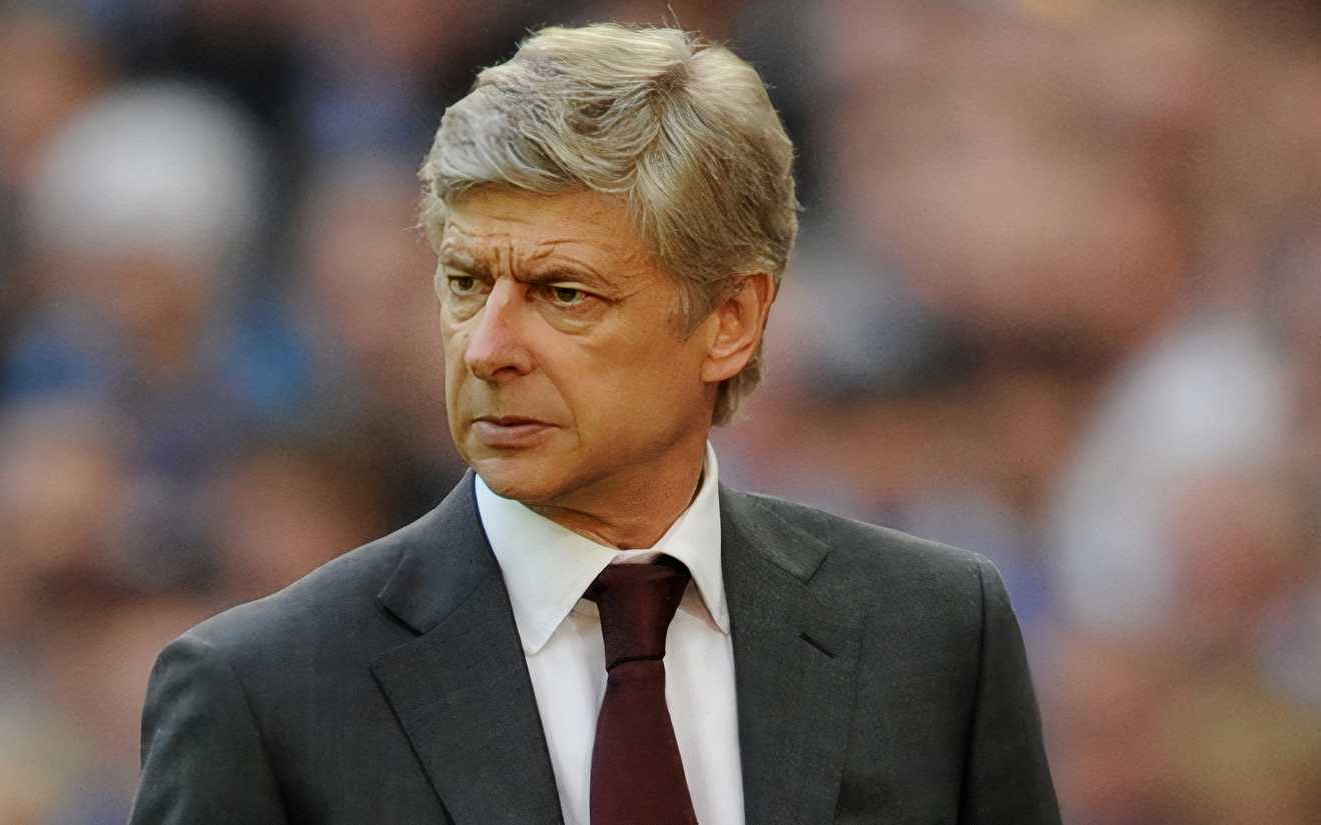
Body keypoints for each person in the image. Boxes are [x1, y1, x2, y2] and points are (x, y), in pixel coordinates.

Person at [128, 24, 1059, 825]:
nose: (487, 347)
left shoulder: (933, 633)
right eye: (465, 285)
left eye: (561, 293)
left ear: (730, 320)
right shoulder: (265, 692)